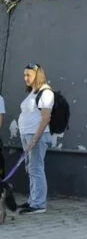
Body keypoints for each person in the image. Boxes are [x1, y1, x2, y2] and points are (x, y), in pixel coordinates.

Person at [18, 62, 54, 214]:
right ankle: (33, 200)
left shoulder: (45, 92)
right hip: (27, 134)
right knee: (30, 168)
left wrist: (34, 140)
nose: (26, 78)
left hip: (37, 136)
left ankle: (39, 204)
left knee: (36, 168)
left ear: (37, 75)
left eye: (29, 75)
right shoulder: (32, 92)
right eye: (25, 75)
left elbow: (46, 118)